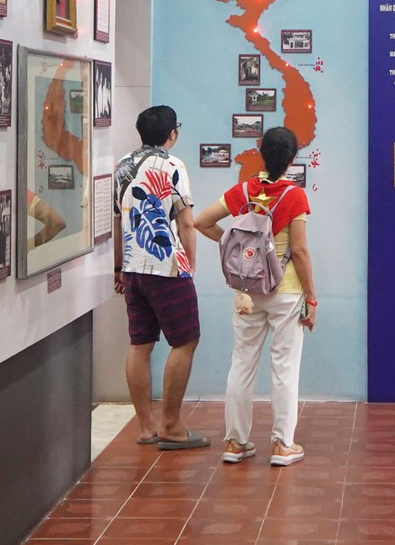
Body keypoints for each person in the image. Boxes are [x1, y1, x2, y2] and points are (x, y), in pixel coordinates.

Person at [194, 127, 316, 467]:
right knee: (285, 369)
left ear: (261, 154)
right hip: (286, 290)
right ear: (292, 159)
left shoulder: (244, 189)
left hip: (247, 290)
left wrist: (231, 246)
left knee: (242, 364)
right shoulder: (295, 196)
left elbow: (202, 222)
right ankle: (282, 445)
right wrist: (312, 296)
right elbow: (301, 251)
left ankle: (235, 442)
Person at [113, 105, 205, 450]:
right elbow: (185, 222)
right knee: (185, 341)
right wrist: (190, 264)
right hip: (166, 266)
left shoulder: (122, 165)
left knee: (140, 344)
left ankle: (146, 427)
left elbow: (118, 222)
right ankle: (171, 426)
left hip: (133, 269)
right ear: (172, 134)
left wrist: (119, 268)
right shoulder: (172, 165)